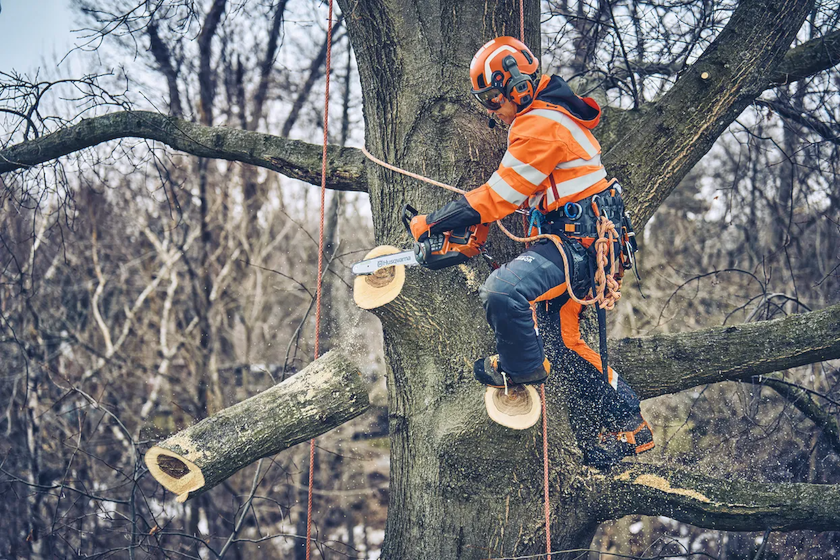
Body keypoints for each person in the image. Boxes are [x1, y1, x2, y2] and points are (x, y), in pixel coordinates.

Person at [408, 36, 654, 467]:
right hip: (574, 238)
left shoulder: (539, 124)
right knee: (566, 343)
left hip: (579, 242)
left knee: (503, 291)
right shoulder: (546, 119)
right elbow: (516, 191)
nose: (490, 110)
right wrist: (474, 235)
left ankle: (521, 367)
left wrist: (434, 222)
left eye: (490, 97)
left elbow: (500, 194)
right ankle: (626, 427)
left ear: (516, 84)